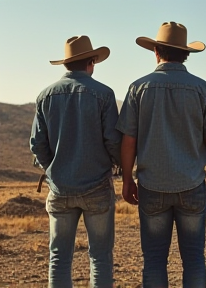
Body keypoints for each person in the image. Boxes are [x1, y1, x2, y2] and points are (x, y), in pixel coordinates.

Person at [116, 22, 206, 288]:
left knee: (154, 259)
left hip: (152, 187)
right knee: (194, 259)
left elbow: (128, 141)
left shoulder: (137, 88)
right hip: (191, 186)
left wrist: (128, 179)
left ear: (156, 51)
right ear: (185, 54)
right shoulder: (203, 89)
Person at [30, 35, 121, 288]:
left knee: (58, 257)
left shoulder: (45, 96)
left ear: (66, 64)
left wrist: (52, 170)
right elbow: (113, 141)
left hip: (60, 189)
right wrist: (117, 164)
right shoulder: (104, 94)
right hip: (97, 187)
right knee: (100, 257)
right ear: (91, 61)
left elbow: (37, 144)